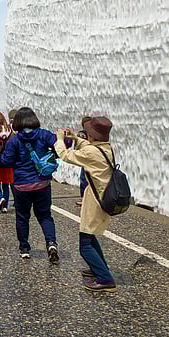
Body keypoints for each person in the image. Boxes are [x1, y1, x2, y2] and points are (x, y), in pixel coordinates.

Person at [55, 115, 118, 293]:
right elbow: (92, 149)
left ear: (92, 136)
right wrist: (77, 139)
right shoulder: (107, 148)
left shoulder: (92, 152)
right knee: (90, 236)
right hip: (103, 197)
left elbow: (65, 155)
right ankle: (98, 268)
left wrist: (60, 139)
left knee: (85, 244)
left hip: (95, 201)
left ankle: (105, 279)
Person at [0, 107, 59, 262]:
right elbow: (60, 145)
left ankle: (24, 248)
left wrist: (0, 154)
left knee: (22, 217)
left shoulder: (14, 140)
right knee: (45, 216)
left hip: (22, 185)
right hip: (42, 183)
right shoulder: (44, 134)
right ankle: (51, 244)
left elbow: (6, 162)